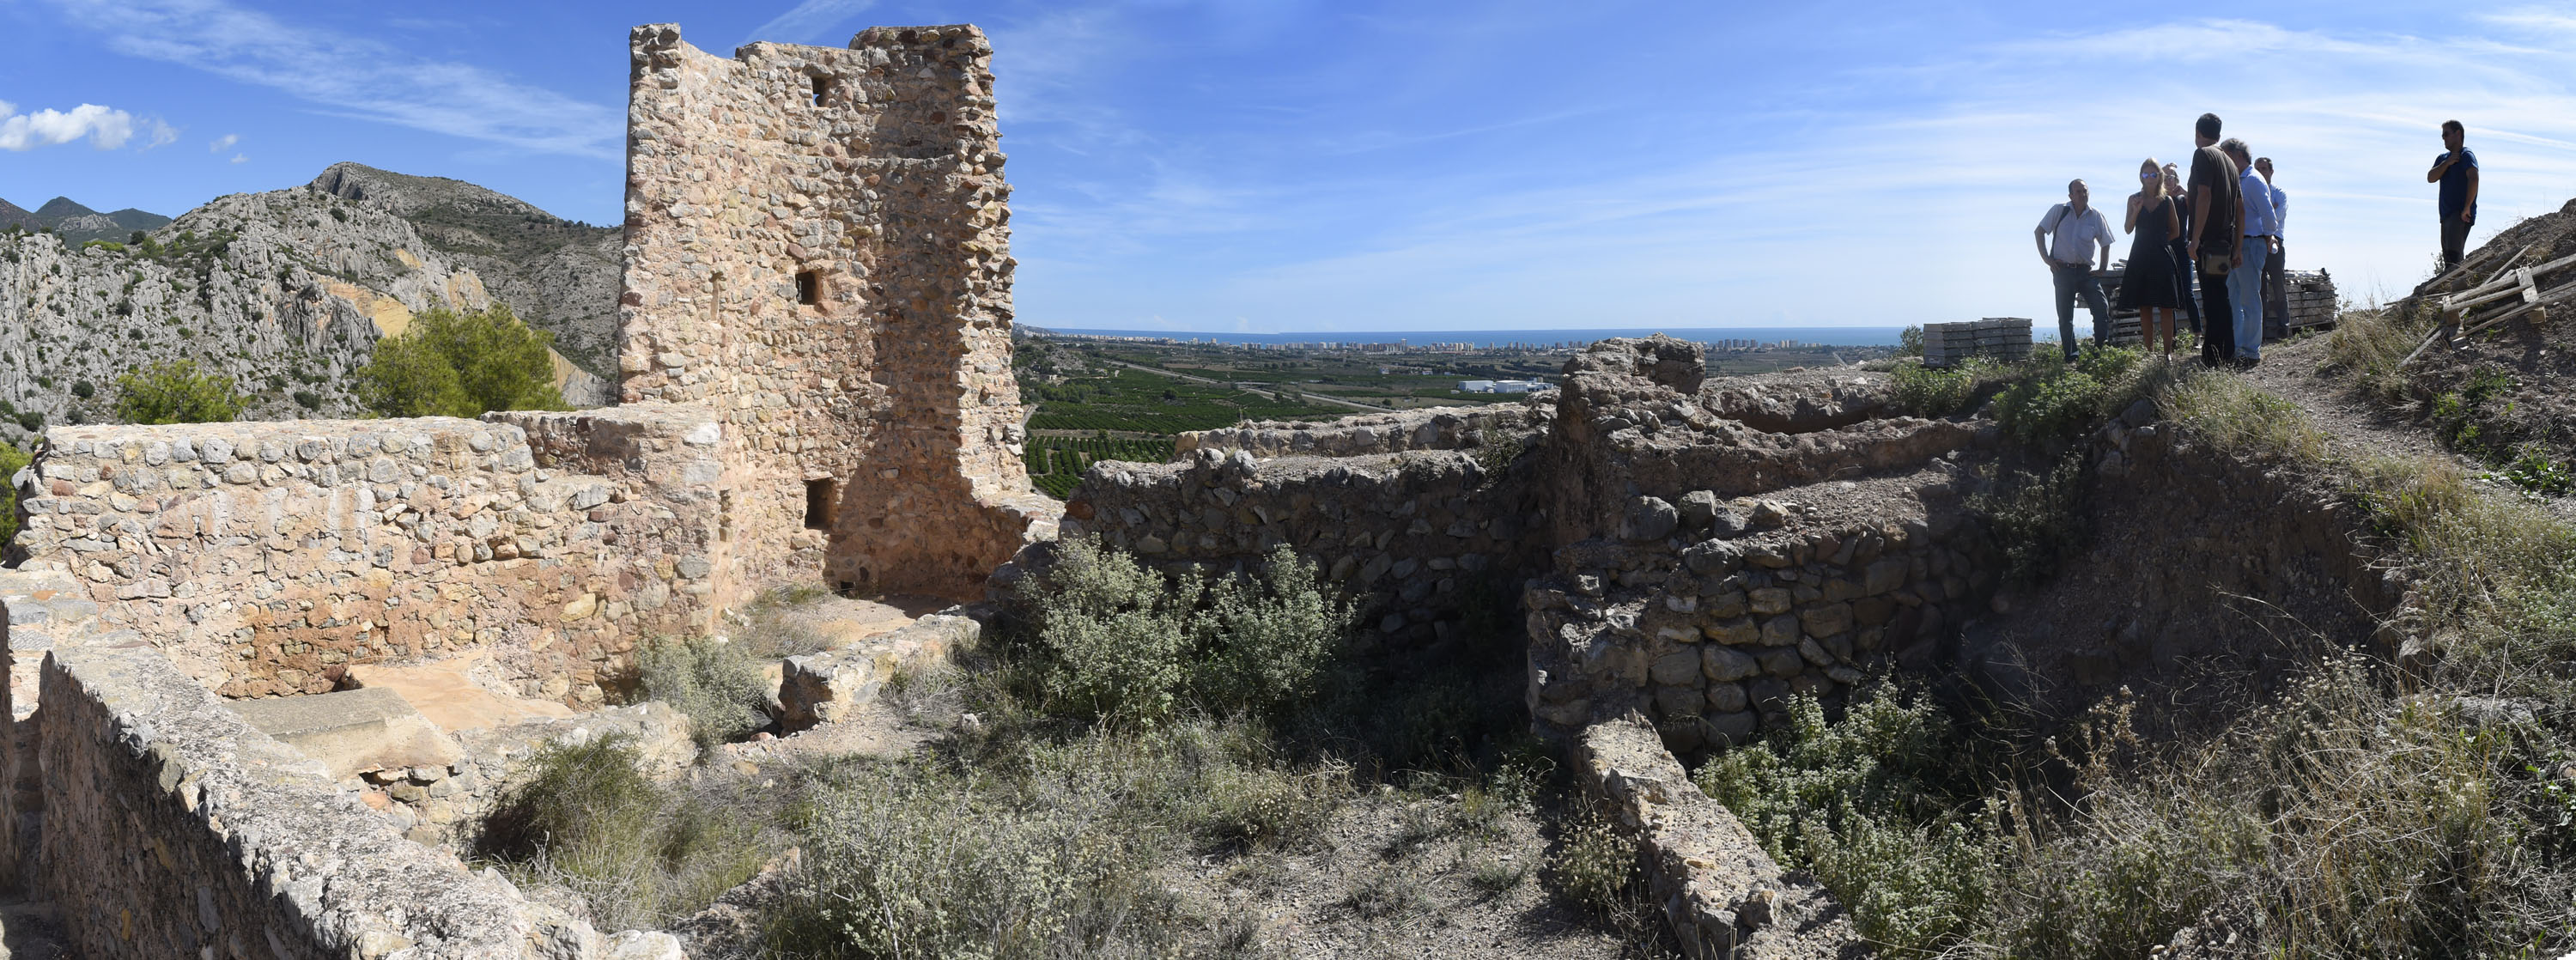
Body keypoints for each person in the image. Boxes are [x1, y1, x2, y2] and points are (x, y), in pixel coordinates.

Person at [2034, 179, 2117, 359]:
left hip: (2086, 271)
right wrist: (2047, 259)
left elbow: (2106, 242)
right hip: (2063, 270)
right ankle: (2071, 356)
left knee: (2101, 309)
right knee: (2065, 316)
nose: (2082, 194)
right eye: (2078, 192)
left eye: (2085, 191)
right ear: (2071, 195)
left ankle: (2099, 353)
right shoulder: (2060, 210)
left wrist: (2102, 268)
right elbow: (2039, 231)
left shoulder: (2096, 215)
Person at [2185, 113, 2241, 366]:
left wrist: (2195, 239)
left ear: (2197, 132)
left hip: (2209, 241)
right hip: (2225, 241)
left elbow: (2204, 196)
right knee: (2222, 298)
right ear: (2219, 134)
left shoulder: (2203, 154)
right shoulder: (2229, 163)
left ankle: (2213, 358)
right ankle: (2226, 354)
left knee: (2212, 300)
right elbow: (2240, 208)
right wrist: (2237, 247)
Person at [2119, 157, 2184, 355]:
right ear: (2141, 177)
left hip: (2162, 255)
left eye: (2153, 174)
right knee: (2144, 306)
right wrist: (2137, 210)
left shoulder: (2167, 201)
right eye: (2145, 174)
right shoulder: (2134, 199)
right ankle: (2149, 353)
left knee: (2166, 306)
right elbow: (2128, 229)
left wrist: (2159, 241)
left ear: (2159, 177)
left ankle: (2167, 354)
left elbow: (2175, 231)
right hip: (2140, 255)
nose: (2149, 178)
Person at [2224, 138, 2276, 365]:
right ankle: (2236, 347)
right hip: (2237, 244)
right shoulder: (2238, 179)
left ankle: (2251, 350)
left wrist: (2266, 237)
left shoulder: (2253, 180)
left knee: (2249, 299)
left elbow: (2269, 216)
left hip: (2250, 243)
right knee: (2233, 297)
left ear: (2237, 155)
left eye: (2226, 156)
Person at [2427, 120, 2479, 272]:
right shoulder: (2443, 158)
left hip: (2459, 214)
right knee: (2449, 259)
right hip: (2446, 216)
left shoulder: (2466, 155)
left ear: (2458, 134)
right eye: (2443, 135)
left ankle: (2459, 290)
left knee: (2454, 258)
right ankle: (2453, 288)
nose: (2444, 138)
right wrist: (2447, 163)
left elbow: (2474, 178)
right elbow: (2431, 177)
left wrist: (2467, 207)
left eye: (2446, 134)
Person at [2162, 162, 2200, 337]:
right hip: (2164, 250)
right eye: (2164, 177)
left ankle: (2198, 334)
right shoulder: (2159, 201)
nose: (2168, 180)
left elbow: (2198, 208)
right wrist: (2161, 169)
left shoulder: (2183, 200)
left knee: (2187, 293)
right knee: (2170, 295)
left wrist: (2185, 192)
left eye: (2171, 177)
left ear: (2176, 180)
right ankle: (2173, 337)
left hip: (2183, 250)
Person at [2257, 157, 2288, 341]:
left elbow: (2276, 217)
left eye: (2264, 168)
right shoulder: (2252, 191)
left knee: (2278, 285)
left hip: (2276, 241)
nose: (2261, 172)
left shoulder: (2279, 194)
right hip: (2258, 242)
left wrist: (2265, 215)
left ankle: (2283, 328)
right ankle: (2261, 331)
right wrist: (2267, 213)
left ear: (2271, 171)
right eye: (2258, 168)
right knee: (2259, 288)